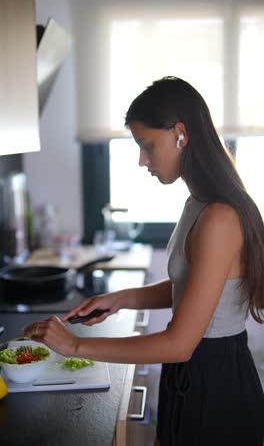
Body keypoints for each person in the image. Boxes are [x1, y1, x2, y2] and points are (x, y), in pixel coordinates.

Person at [24, 77, 264, 446]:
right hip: (195, 374)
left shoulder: (219, 217)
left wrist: (73, 346)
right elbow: (194, 288)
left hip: (213, 387)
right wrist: (122, 299)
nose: (141, 160)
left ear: (180, 133)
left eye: (146, 145)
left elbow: (180, 344)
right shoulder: (199, 203)